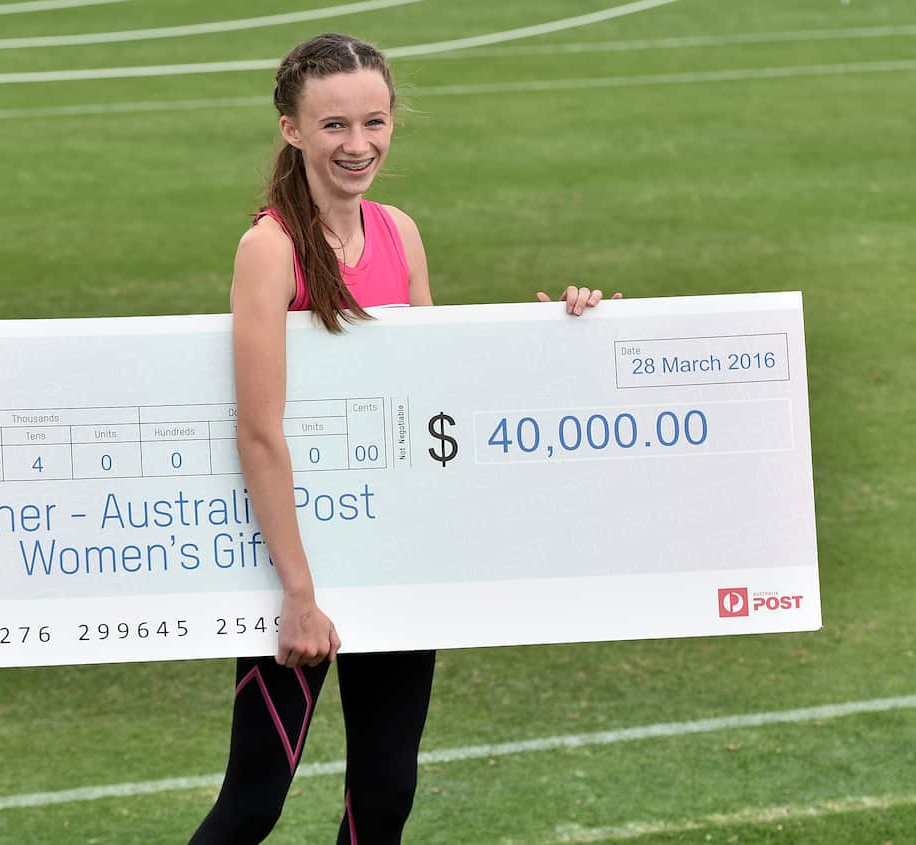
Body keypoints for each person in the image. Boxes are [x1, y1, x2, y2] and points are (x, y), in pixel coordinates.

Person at [190, 32, 619, 845]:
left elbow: (434, 401)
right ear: (292, 130)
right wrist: (299, 593)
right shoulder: (269, 248)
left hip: (393, 556)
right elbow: (258, 431)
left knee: (385, 794)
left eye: (375, 122)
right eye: (334, 126)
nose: (359, 145)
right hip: (298, 564)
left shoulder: (399, 233)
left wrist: (562, 337)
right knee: (254, 802)